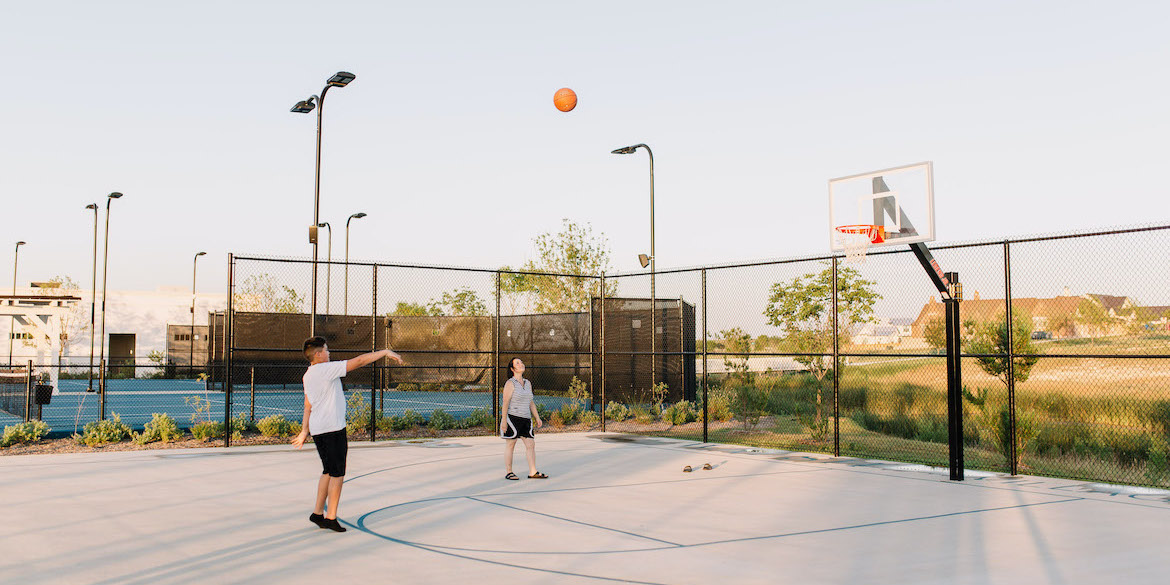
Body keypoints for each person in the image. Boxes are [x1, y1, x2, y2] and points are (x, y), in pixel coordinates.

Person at [292, 336, 403, 532]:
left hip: (319, 429)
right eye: (326, 350)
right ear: (318, 354)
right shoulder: (326, 369)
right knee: (337, 474)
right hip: (332, 429)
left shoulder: (307, 375)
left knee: (327, 470)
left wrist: (304, 431)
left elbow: (307, 406)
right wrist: (385, 352)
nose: (329, 353)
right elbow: (359, 361)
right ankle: (331, 517)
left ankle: (318, 513)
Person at [499, 357, 547, 480]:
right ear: (512, 368)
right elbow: (505, 403)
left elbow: (530, 402)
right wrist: (504, 421)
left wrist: (537, 417)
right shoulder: (510, 383)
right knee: (511, 444)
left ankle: (533, 471)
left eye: (521, 362)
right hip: (513, 418)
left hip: (526, 419)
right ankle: (509, 472)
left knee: (531, 444)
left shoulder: (528, 383)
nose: (521, 364)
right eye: (517, 363)